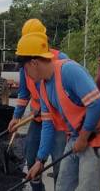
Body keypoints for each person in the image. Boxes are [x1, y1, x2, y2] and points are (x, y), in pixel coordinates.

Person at [17, 32, 100, 191]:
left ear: (34, 63)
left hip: (98, 136)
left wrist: (83, 138)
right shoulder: (43, 87)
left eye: (25, 69)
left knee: (86, 187)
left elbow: (97, 103)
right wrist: (40, 161)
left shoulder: (68, 71)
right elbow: (48, 126)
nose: (26, 75)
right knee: (63, 185)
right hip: (76, 137)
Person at [8, 19, 67, 191]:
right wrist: (16, 117)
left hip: (59, 124)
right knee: (32, 157)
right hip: (38, 119)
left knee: (59, 164)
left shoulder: (60, 61)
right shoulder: (25, 65)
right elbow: (23, 94)